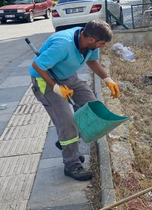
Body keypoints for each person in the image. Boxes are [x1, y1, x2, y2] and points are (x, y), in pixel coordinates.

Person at [29, 20, 120, 181]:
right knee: (67, 122)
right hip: (46, 81)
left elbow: (91, 61)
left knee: (92, 108)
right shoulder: (63, 44)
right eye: (102, 43)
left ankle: (66, 142)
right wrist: (55, 87)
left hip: (68, 77)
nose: (102, 47)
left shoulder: (88, 42)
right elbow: (38, 66)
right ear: (91, 39)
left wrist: (107, 79)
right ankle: (72, 164)